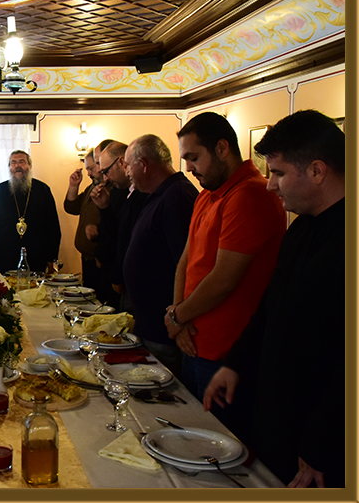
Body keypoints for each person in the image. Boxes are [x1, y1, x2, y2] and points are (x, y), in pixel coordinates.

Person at [203, 110, 345, 488]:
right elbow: (270, 309)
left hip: (322, 439)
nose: (270, 185)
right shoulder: (301, 228)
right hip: (278, 417)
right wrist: (235, 364)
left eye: (279, 173)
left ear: (317, 170)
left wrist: (323, 443)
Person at [164, 111, 286, 439]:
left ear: (221, 148)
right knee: (191, 440)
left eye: (193, 157)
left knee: (219, 447)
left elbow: (224, 280)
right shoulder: (208, 193)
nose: (189, 168)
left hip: (226, 353)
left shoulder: (250, 194)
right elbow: (186, 260)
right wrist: (177, 316)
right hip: (193, 339)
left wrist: (177, 317)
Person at [121, 135, 198, 377]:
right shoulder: (160, 194)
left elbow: (186, 264)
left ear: (143, 164)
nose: (127, 172)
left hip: (164, 330)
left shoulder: (177, 197)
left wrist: (177, 319)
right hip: (151, 325)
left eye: (128, 165)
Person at [90, 142, 148, 313]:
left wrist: (118, 276)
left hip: (134, 283)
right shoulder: (119, 190)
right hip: (115, 274)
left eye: (106, 171)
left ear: (122, 162)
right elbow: (117, 233)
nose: (105, 178)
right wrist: (104, 207)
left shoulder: (144, 195)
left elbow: (131, 243)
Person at [0, 150, 61, 273]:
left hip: (37, 256)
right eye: (13, 163)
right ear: (9, 167)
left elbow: (53, 227)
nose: (17, 166)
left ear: (30, 166)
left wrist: (51, 258)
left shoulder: (42, 190)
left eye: (22, 162)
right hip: (5, 257)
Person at [63, 141, 109, 292]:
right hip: (87, 258)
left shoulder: (112, 190)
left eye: (91, 168)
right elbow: (72, 207)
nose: (88, 173)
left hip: (101, 260)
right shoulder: (92, 187)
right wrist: (73, 186)